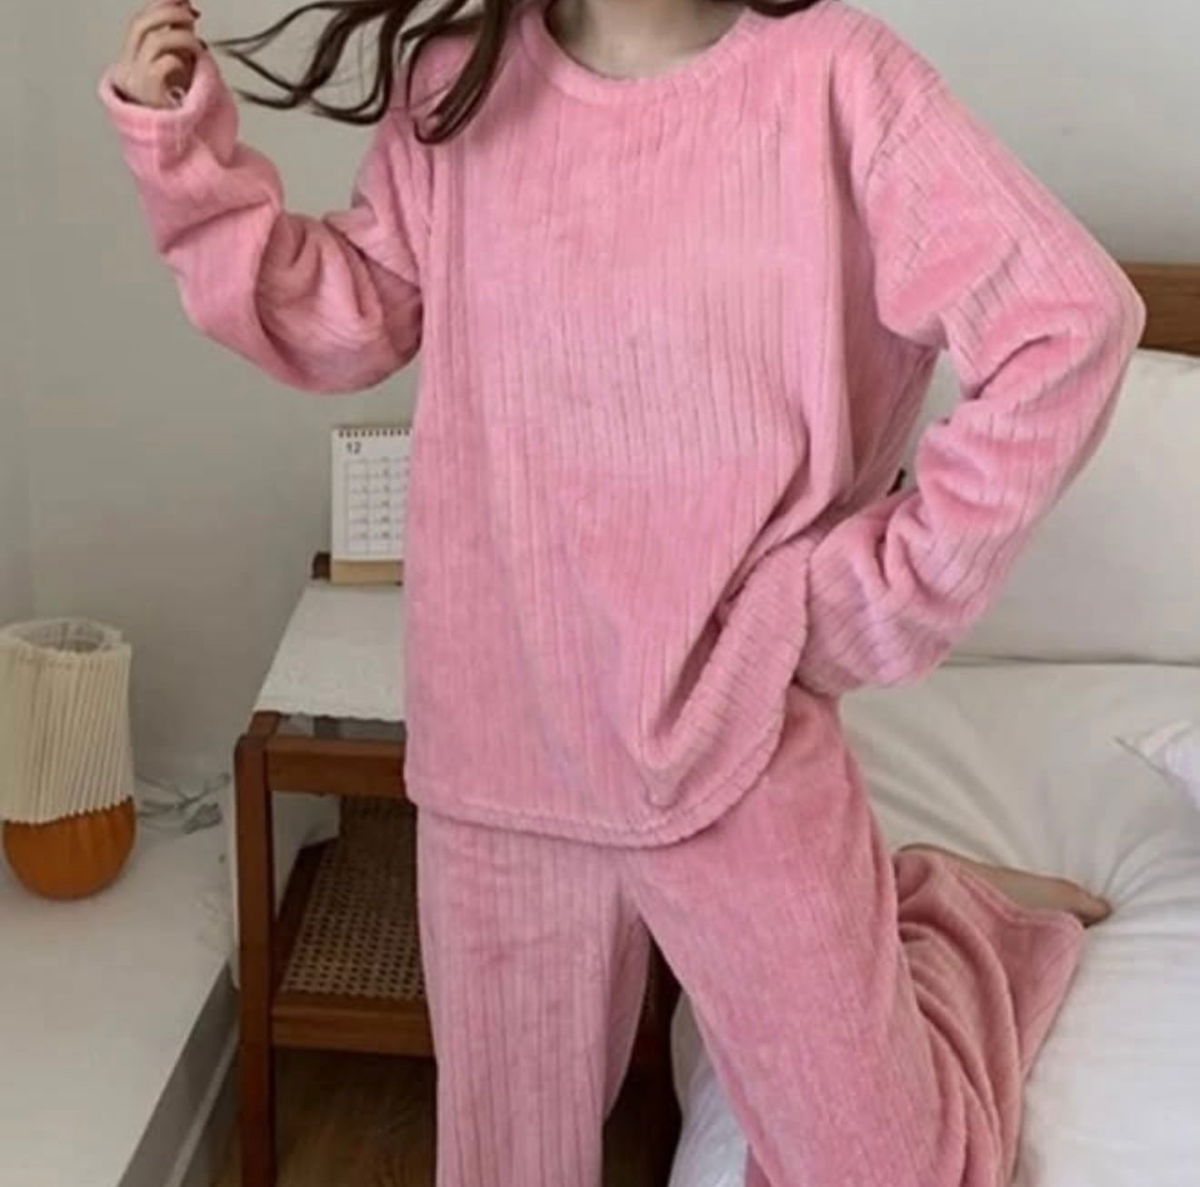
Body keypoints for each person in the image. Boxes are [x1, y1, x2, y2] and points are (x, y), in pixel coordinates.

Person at [102, 0, 1142, 1183]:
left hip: (736, 733)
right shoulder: (456, 87)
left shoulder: (839, 81)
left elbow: (1071, 324)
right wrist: (185, 160)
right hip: (507, 740)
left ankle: (948, 922)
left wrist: (868, 599)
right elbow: (338, 320)